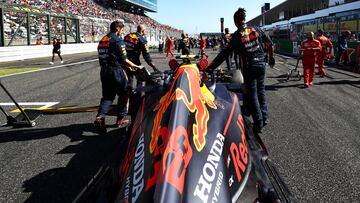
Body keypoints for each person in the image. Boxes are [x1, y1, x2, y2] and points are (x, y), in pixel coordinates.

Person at [207, 8, 275, 134]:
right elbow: (270, 44)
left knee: (252, 94)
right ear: (244, 19)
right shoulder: (256, 29)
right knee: (261, 91)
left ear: (235, 21)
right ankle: (264, 118)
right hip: (261, 65)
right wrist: (271, 58)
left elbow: (224, 54)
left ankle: (258, 124)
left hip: (249, 66)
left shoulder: (237, 35)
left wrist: (210, 68)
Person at [94, 20, 143, 132]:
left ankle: (100, 116)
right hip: (116, 71)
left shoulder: (103, 40)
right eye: (122, 30)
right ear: (117, 29)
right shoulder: (118, 41)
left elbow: (111, 56)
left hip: (104, 71)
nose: (122, 32)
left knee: (107, 96)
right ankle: (120, 118)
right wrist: (136, 66)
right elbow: (124, 59)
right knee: (125, 93)